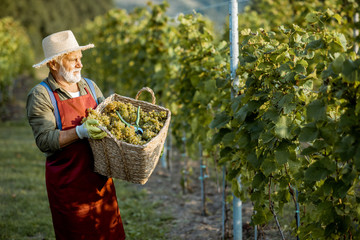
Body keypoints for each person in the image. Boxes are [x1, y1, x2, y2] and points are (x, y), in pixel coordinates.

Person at [26, 30, 126, 240]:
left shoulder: (90, 86)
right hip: (68, 184)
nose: (80, 64)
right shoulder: (41, 95)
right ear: (53, 64)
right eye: (73, 60)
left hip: (100, 180)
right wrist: (80, 131)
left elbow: (110, 121)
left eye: (80, 58)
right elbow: (44, 140)